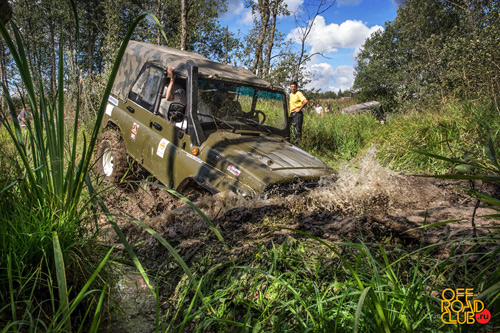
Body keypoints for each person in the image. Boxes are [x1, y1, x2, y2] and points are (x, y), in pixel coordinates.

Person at [289, 81, 307, 145]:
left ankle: (298, 145)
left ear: (296, 87)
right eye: (292, 87)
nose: (293, 88)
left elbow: (305, 101)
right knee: (291, 129)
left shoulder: (298, 93)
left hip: (297, 114)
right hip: (292, 114)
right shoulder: (290, 95)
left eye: (294, 87)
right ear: (290, 87)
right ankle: (293, 143)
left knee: (297, 130)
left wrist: (299, 109)